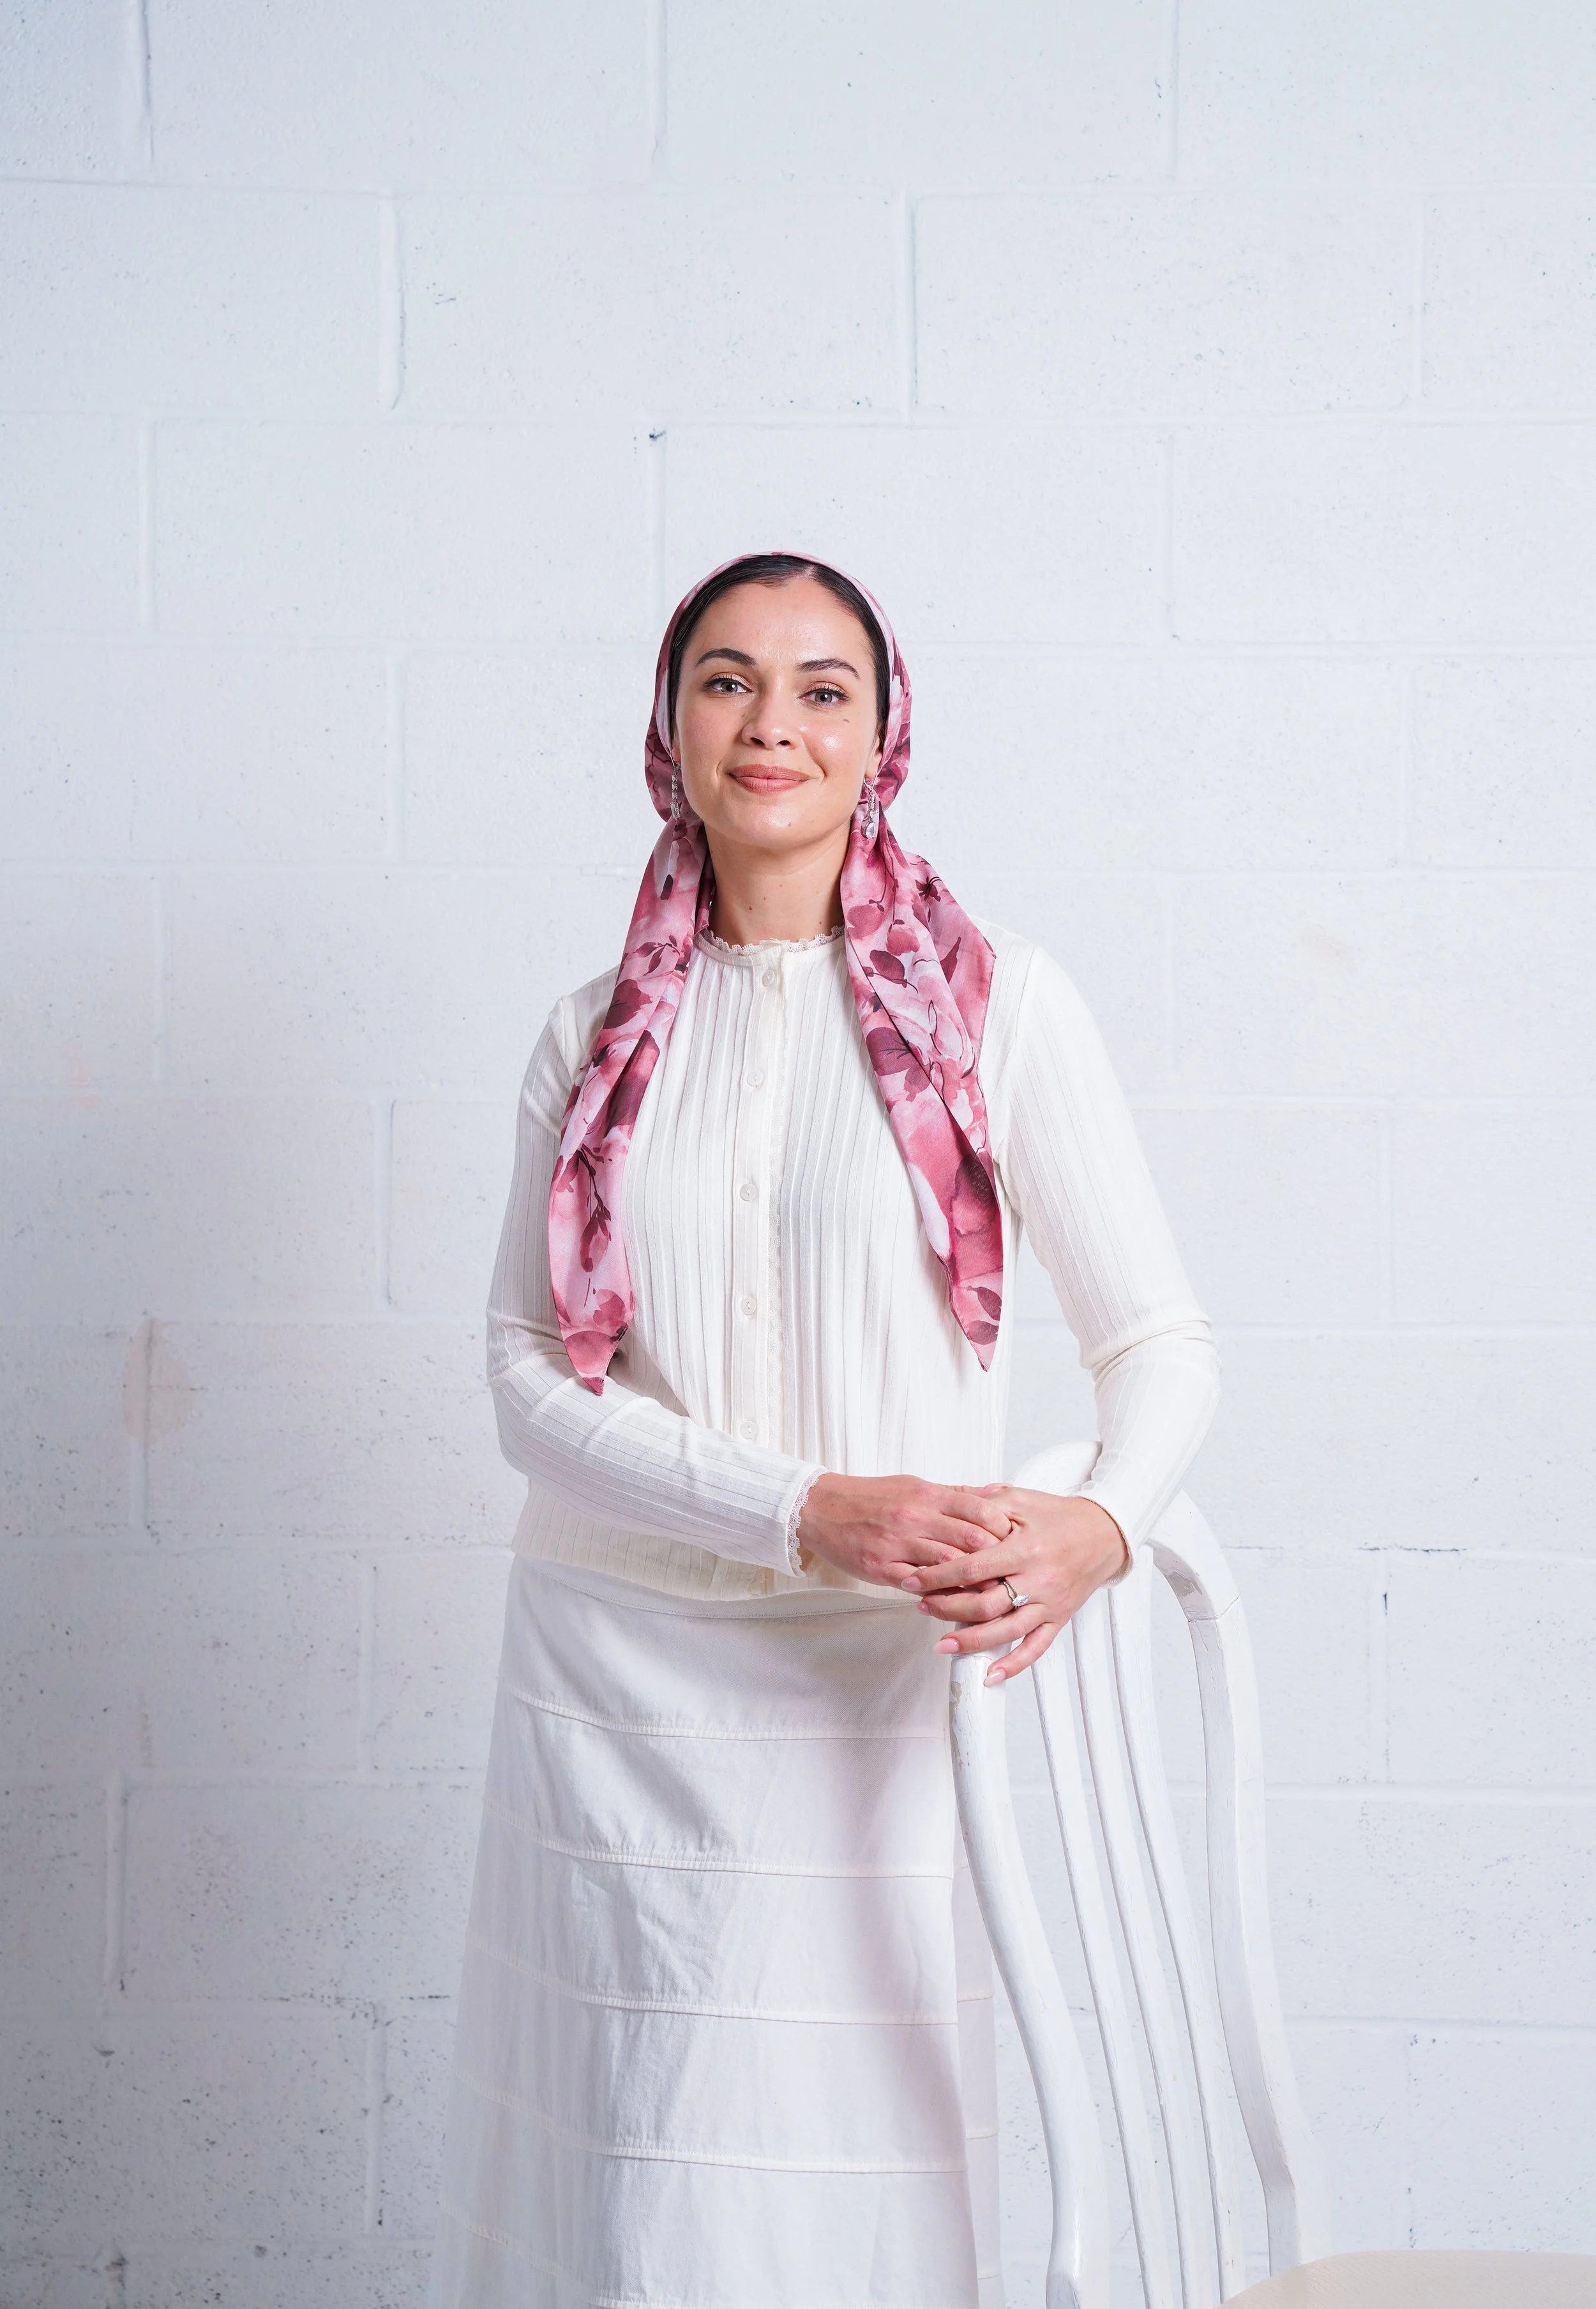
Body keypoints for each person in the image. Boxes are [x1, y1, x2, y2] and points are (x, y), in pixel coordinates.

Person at [424, 552, 1222, 2309]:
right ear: (667, 728)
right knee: (627, 2193)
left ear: (883, 739)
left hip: (864, 1701)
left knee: (828, 2191)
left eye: (819, 687)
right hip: (610, 1687)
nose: (769, 722)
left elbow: (1159, 1349)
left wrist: (1091, 1531)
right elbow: (525, 1386)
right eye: (723, 680)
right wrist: (807, 1509)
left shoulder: (999, 1010)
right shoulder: (584, 1036)